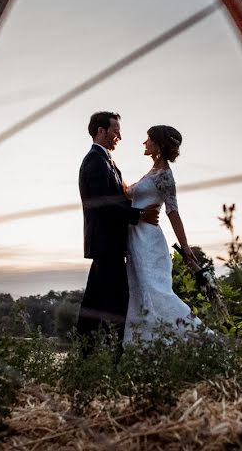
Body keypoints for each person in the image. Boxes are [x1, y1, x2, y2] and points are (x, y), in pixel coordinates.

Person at [75, 111, 159, 350]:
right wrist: (140, 215)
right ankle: (113, 355)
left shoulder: (107, 162)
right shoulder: (94, 162)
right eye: (115, 131)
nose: (119, 136)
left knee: (97, 303)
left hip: (110, 245)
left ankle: (87, 355)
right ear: (101, 131)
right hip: (105, 244)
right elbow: (104, 205)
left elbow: (119, 197)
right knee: (118, 301)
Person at [123, 124, 207, 344]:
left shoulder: (165, 177)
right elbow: (129, 193)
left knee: (157, 294)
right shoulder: (151, 172)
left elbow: (173, 212)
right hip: (135, 240)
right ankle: (147, 348)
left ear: (158, 144)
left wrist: (186, 249)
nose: (144, 143)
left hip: (149, 242)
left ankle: (202, 339)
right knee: (140, 294)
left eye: (148, 139)